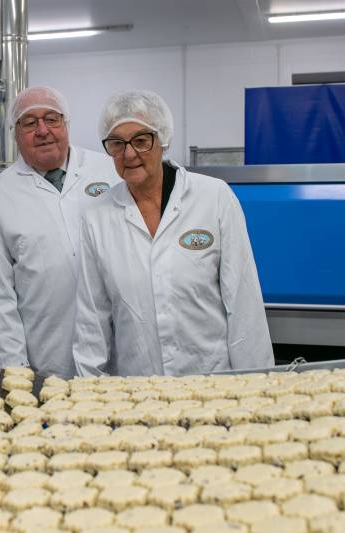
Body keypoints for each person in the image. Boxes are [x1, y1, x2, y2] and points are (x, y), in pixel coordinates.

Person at [72, 90, 273, 376]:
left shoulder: (213, 198)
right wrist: (86, 397)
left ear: (163, 140)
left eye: (141, 140)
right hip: (137, 390)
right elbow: (92, 320)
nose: (129, 153)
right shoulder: (97, 218)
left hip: (210, 385)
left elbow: (243, 305)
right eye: (117, 144)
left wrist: (256, 386)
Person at [0, 86, 120, 378]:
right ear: (15, 133)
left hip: (120, 346)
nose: (42, 130)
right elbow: (0, 291)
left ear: (66, 124)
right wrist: (14, 368)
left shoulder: (109, 171)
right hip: (45, 352)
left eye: (52, 119)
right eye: (29, 123)